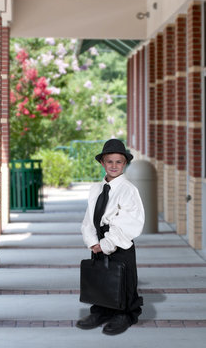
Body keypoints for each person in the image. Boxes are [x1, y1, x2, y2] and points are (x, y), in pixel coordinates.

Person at [76, 139, 145, 335]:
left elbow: (129, 221)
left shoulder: (128, 190)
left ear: (124, 164)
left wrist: (106, 243)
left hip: (118, 241)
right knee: (100, 277)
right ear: (102, 163)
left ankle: (123, 314)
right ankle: (100, 311)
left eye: (118, 162)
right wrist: (92, 242)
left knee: (122, 277)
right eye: (109, 162)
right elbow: (89, 218)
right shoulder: (96, 189)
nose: (114, 166)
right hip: (98, 240)